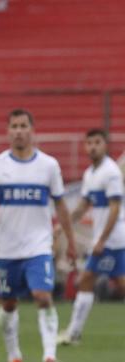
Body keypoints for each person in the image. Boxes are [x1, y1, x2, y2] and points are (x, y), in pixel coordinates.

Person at [0, 109, 76, 362]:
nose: (18, 130)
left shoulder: (49, 166)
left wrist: (70, 241)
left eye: (23, 125)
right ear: (8, 131)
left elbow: (61, 206)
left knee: (42, 296)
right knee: (9, 303)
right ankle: (14, 356)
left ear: (32, 130)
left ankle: (50, 355)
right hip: (7, 248)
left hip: (38, 246)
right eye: (14, 125)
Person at [58, 129, 125, 345]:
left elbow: (115, 209)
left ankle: (74, 333)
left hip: (113, 239)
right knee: (88, 280)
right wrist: (62, 226)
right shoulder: (90, 174)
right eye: (89, 143)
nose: (93, 147)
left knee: (89, 279)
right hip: (107, 239)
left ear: (106, 145)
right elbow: (83, 205)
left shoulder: (111, 172)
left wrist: (102, 240)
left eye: (97, 142)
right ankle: (74, 333)